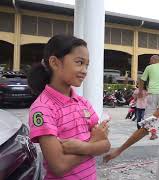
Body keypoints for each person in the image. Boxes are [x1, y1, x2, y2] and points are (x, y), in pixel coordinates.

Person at [27, 35, 111, 179]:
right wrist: (93, 146)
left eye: (87, 65)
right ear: (54, 62)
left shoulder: (83, 103)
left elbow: (106, 145)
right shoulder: (42, 109)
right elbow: (59, 166)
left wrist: (83, 147)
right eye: (79, 62)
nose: (84, 70)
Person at [139, 55, 159, 139]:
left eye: (150, 60)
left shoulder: (149, 67)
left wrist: (140, 91)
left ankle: (153, 133)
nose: (149, 62)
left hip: (152, 93)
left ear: (154, 60)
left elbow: (142, 80)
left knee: (149, 114)